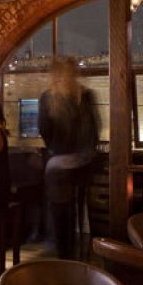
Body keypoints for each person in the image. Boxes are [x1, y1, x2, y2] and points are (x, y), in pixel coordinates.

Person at [38, 58, 100, 259]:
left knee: (59, 211)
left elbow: (44, 130)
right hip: (84, 165)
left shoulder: (48, 98)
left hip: (59, 165)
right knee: (79, 209)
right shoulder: (86, 95)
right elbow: (95, 131)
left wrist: (56, 148)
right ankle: (84, 251)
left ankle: (62, 251)